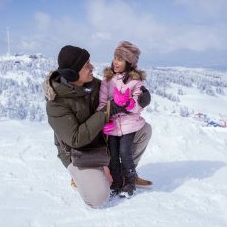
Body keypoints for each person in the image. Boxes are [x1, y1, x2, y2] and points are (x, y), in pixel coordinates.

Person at [43, 45, 152, 208]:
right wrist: (107, 111)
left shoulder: (93, 85)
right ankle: (82, 176)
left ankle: (122, 175)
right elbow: (76, 139)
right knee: (98, 198)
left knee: (143, 130)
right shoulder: (56, 104)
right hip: (77, 152)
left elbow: (119, 91)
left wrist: (141, 97)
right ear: (73, 73)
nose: (92, 67)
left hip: (100, 141)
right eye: (87, 64)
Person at [97, 41, 146, 198]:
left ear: (129, 63)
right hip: (112, 125)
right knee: (112, 154)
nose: (115, 62)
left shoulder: (136, 82)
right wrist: (105, 117)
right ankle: (116, 183)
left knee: (125, 152)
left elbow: (139, 105)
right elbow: (102, 103)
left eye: (120, 59)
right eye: (114, 58)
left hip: (128, 124)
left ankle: (130, 183)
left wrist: (130, 103)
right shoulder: (107, 81)